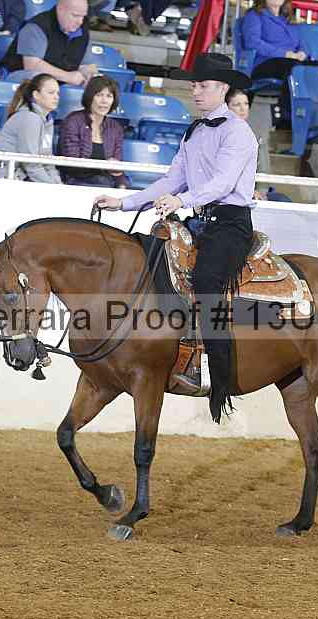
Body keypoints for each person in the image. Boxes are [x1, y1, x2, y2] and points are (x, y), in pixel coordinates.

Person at [92, 53, 257, 423]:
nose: (196, 91)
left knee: (207, 280)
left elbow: (223, 183)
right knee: (148, 261)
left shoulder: (238, 132)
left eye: (204, 86)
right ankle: (165, 350)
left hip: (229, 223)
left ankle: (215, 371)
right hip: (198, 221)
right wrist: (124, 203)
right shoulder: (193, 131)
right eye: (194, 85)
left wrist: (182, 200)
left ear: (223, 89)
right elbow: (172, 179)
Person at [240, 0, 315, 125]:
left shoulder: (288, 19)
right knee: (294, 69)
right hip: (266, 63)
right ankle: (285, 120)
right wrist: (284, 54)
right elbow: (252, 42)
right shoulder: (255, 15)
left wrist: (303, 53)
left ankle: (313, 119)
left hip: (292, 62)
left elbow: (303, 44)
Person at [1, 0, 97, 87]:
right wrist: (68, 76)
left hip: (57, 83)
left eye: (83, 16)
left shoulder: (83, 29)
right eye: (75, 16)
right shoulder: (37, 26)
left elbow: (86, 64)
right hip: (21, 79)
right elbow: (32, 66)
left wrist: (87, 73)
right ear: (60, 10)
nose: (80, 22)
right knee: (39, 79)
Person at [58, 75, 128, 188]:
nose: (104, 101)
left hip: (105, 183)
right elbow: (71, 163)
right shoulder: (73, 121)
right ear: (90, 97)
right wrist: (105, 166)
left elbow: (117, 165)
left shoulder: (115, 127)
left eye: (109, 96)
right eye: (99, 95)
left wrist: (122, 184)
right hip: (75, 182)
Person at [0, 74, 63, 184]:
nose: (56, 97)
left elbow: (47, 161)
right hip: (8, 177)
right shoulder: (29, 118)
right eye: (51, 93)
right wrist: (53, 186)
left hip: (27, 177)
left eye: (58, 93)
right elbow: (30, 164)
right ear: (36, 95)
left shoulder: (48, 120)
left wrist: (59, 184)